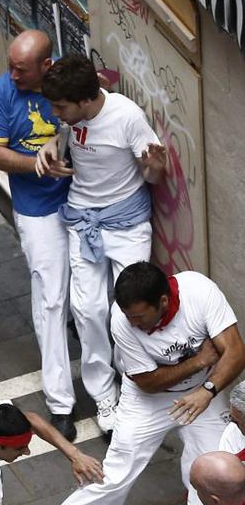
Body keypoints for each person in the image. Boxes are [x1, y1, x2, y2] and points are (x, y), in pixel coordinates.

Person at [15, 262, 245, 505]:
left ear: (163, 303)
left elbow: (235, 352)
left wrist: (206, 391)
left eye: (139, 316)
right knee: (114, 476)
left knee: (215, 478)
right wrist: (199, 361)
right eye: (128, 315)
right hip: (147, 401)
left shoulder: (199, 291)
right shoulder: (122, 321)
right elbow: (148, 382)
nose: (131, 322)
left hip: (203, 393)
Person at [34, 54, 167, 436]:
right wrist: (51, 146)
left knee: (127, 310)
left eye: (61, 107)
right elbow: (61, 135)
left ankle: (133, 384)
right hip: (83, 220)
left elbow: (152, 174)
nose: (56, 114)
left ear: (85, 100)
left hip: (126, 224)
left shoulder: (126, 116)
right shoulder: (70, 120)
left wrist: (156, 167)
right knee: (88, 309)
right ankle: (102, 394)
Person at [0, 30, 76, 441]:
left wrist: (60, 140)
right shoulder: (3, 93)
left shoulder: (65, 83)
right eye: (10, 65)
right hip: (38, 213)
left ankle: (108, 392)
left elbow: (98, 95)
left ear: (46, 67)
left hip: (86, 205)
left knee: (94, 302)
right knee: (51, 300)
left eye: (21, 69)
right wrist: (37, 164)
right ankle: (61, 404)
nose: (12, 75)